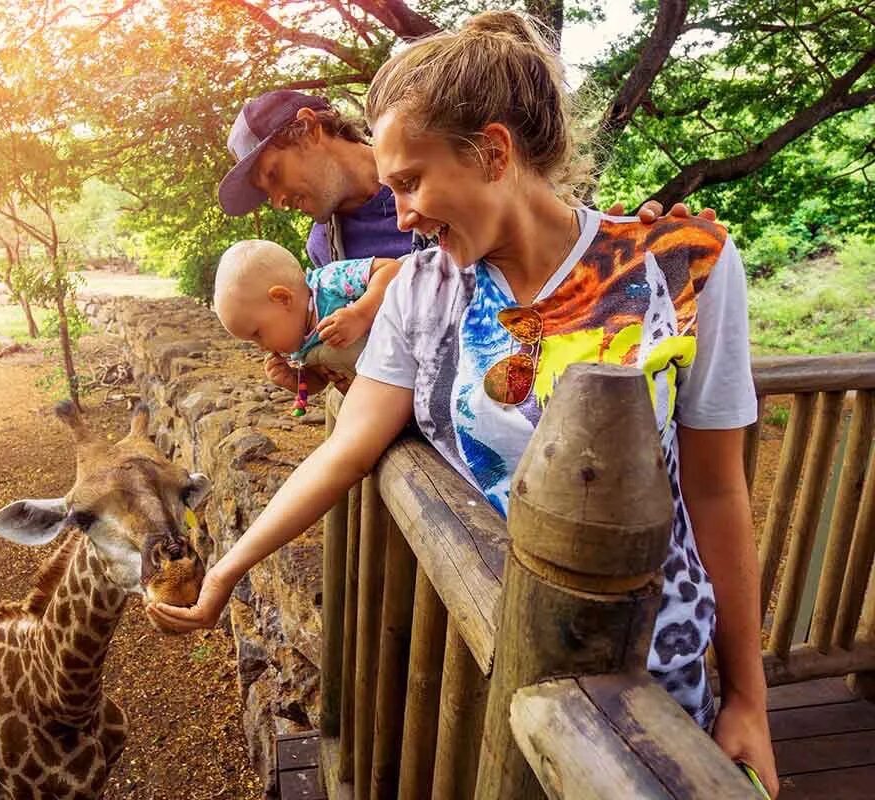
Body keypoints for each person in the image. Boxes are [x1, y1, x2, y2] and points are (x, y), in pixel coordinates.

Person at [162, 10, 777, 796]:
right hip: (488, 651)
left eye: (412, 182)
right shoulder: (423, 290)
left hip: (652, 670)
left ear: (492, 151)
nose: (405, 215)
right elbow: (346, 448)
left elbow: (719, 489)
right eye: (391, 189)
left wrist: (750, 699)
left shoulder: (685, 267)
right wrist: (228, 570)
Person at [217, 89, 716, 395]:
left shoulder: (448, 168)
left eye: (274, 175)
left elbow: (555, 242)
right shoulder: (325, 253)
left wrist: (644, 243)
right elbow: (371, 368)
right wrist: (317, 373)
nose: (278, 200)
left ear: (306, 130)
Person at [214, 240, 402, 386]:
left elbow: (392, 269)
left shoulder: (329, 282)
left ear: (282, 299)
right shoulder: (300, 346)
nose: (261, 347)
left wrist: (361, 314)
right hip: (381, 387)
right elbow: (320, 382)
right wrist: (294, 379)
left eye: (258, 334)